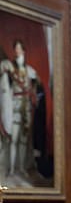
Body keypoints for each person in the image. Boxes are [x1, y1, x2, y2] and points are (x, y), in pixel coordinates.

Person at [0, 39, 40, 176]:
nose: (17, 50)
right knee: (14, 139)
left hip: (27, 108)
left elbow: (36, 86)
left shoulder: (30, 70)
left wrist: (34, 95)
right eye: (15, 48)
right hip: (15, 106)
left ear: (23, 51)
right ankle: (11, 169)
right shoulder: (10, 66)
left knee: (23, 141)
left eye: (19, 48)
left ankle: (22, 168)